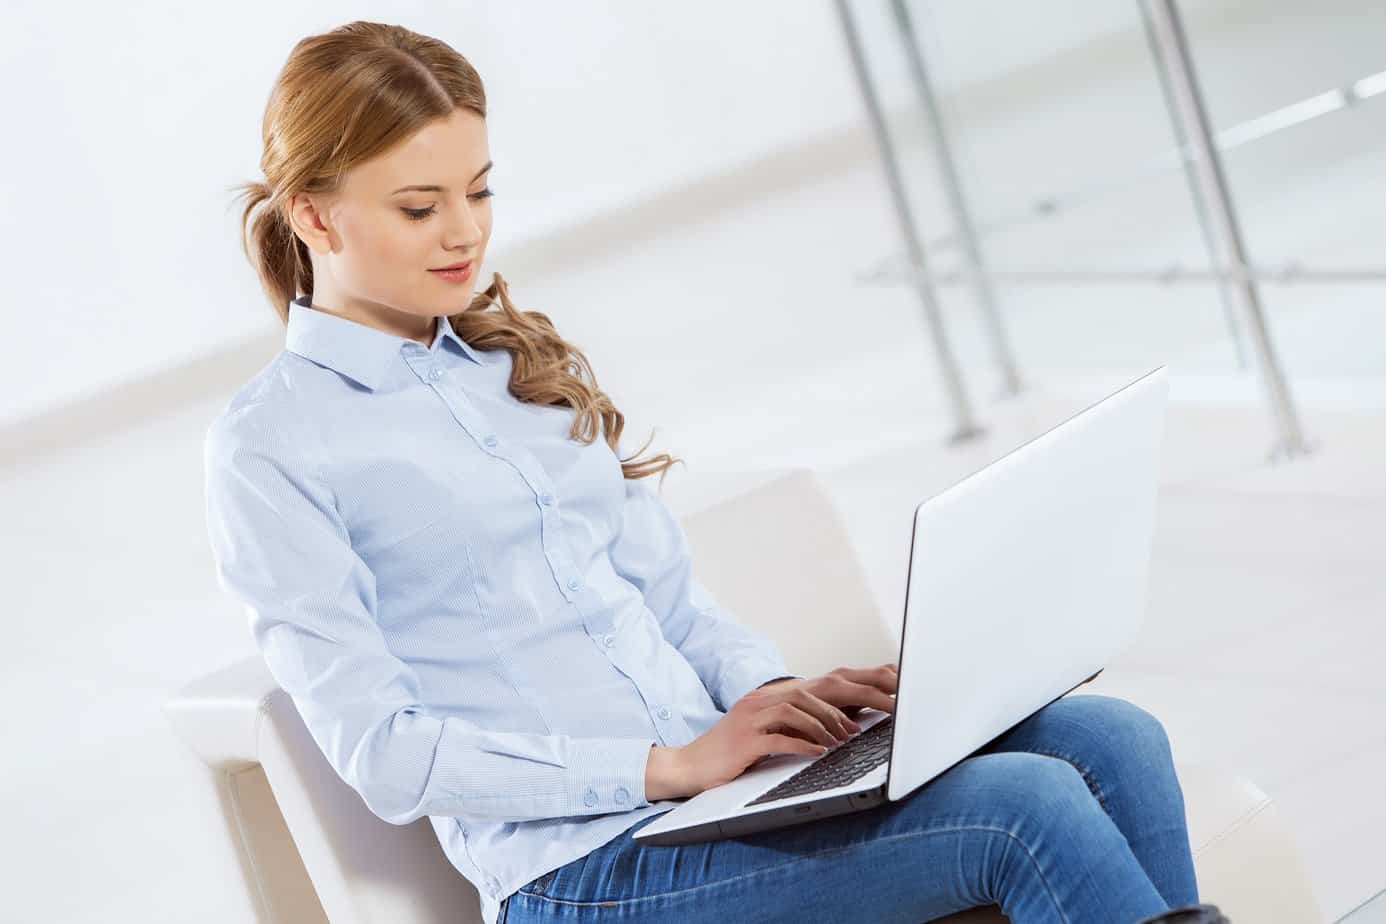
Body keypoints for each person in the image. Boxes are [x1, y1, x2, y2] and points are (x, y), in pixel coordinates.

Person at [205, 20, 1226, 924]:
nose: (466, 232)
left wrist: (786, 700)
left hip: (714, 805)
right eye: (419, 208)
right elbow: (385, 751)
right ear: (315, 216)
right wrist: (666, 767)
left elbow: (675, 609)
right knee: (1026, 811)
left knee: (1112, 737)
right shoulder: (275, 446)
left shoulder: (506, 371)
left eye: (477, 191)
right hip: (583, 872)